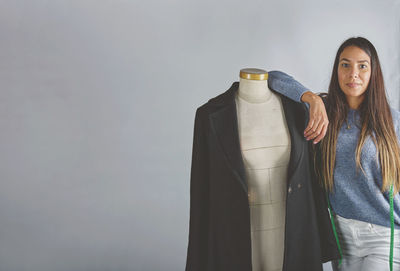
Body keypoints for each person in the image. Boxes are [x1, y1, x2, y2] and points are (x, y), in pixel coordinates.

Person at [267, 37, 400, 271]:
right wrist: (312, 98)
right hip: (341, 236)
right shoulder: (323, 114)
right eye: (345, 65)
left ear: (373, 72)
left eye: (362, 66)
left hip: (383, 236)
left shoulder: (391, 120)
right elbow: (272, 77)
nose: (353, 74)